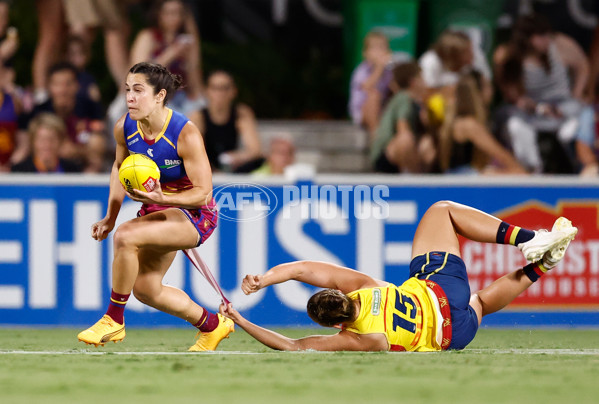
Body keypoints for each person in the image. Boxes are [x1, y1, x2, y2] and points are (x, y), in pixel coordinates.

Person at [220, 200, 577, 351]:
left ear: (334, 325)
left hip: (453, 335)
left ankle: (543, 263)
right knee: (442, 212)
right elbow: (302, 269)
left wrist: (240, 319)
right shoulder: (364, 286)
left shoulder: (364, 339)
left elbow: (293, 346)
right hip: (441, 292)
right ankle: (529, 240)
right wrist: (264, 279)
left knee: (481, 302)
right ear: (339, 293)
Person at [77, 62, 234, 351]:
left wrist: (164, 199)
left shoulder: (184, 132)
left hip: (194, 214)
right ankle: (213, 326)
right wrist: (110, 216)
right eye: (127, 90)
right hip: (158, 210)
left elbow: (203, 193)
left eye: (138, 90)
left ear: (160, 95)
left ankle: (113, 319)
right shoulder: (124, 127)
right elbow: (118, 168)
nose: (130, 98)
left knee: (126, 236)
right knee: (146, 290)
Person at [493, 14, 591, 173]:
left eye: (547, 35)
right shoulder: (509, 56)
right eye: (541, 36)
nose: (547, 40)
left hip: (564, 104)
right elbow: (514, 97)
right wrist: (539, 108)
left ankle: (577, 164)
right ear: (526, 38)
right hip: (533, 109)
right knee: (512, 121)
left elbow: (582, 65)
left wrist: (577, 93)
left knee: (583, 114)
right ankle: (532, 168)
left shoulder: (560, 44)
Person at [19, 62, 107, 172]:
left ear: (77, 85)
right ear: (49, 87)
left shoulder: (90, 108)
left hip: (80, 164)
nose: (63, 90)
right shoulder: (37, 112)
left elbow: (100, 144)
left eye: (68, 84)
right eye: (57, 84)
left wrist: (76, 151)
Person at [438, 72, 527, 174]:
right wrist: (520, 172)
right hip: (462, 179)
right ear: (477, 93)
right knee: (496, 173)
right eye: (488, 85)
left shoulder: (458, 122)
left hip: (457, 177)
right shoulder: (469, 124)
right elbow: (501, 155)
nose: (492, 90)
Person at [130, 0, 204, 115]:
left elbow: (194, 75)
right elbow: (139, 74)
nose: (175, 17)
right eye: (170, 13)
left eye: (179, 13)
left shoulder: (185, 40)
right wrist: (171, 53)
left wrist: (201, 99)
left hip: (180, 96)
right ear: (159, 14)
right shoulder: (148, 36)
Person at [189, 70, 263, 173]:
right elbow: (194, 151)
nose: (220, 93)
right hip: (206, 166)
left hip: (233, 166)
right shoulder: (198, 116)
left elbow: (255, 150)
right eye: (215, 88)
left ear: (233, 91)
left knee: (260, 162)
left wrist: (237, 157)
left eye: (224, 88)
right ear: (207, 91)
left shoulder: (241, 113)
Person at [370, 62, 436, 174]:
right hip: (386, 154)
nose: (425, 82)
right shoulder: (403, 98)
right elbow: (403, 128)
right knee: (406, 139)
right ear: (413, 82)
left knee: (427, 143)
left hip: (400, 151)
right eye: (421, 78)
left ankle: (425, 179)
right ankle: (410, 175)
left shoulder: (418, 102)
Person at [419, 30, 493, 106]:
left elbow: (487, 88)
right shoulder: (430, 62)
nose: (471, 55)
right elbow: (425, 95)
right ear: (453, 54)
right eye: (466, 52)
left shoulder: (476, 55)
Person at [348, 31, 395, 139]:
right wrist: (379, 68)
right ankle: (376, 135)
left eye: (382, 47)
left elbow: (393, 89)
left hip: (382, 110)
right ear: (365, 53)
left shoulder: (389, 71)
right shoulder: (361, 71)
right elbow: (366, 87)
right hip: (363, 112)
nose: (379, 52)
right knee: (374, 95)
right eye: (375, 48)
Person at [11, 113, 81, 173]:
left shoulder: (73, 171)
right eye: (42, 139)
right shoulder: (19, 172)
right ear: (33, 142)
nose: (47, 144)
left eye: (52, 139)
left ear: (60, 141)